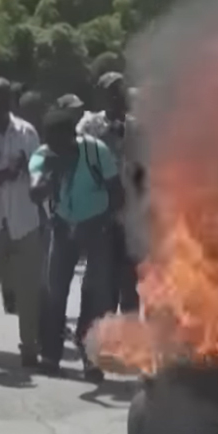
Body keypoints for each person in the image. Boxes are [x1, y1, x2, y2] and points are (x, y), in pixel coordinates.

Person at [32, 103, 124, 382]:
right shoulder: (43, 157)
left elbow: (117, 194)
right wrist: (49, 175)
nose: (56, 148)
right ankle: (50, 354)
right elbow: (34, 193)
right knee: (55, 293)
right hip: (62, 227)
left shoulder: (97, 152)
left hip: (96, 226)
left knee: (95, 295)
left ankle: (91, 358)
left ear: (73, 136)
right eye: (50, 143)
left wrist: (100, 225)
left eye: (61, 143)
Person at [0, 78, 43, 368]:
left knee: (28, 289)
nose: (0, 106)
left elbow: (41, 167)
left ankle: (29, 347)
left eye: (5, 100)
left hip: (24, 220)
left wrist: (29, 169)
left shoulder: (27, 132)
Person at [76, 72, 140, 314]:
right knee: (100, 279)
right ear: (103, 96)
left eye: (121, 91)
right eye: (112, 91)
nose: (118, 97)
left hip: (129, 214)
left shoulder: (135, 126)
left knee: (129, 281)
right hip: (99, 213)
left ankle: (131, 341)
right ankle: (98, 335)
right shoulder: (89, 125)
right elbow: (80, 158)